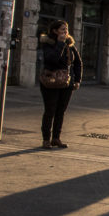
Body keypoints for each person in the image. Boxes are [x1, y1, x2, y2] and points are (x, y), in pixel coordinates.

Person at [37, 20, 82, 149]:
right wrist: (60, 44)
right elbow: (52, 59)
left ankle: (56, 138)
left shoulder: (70, 45)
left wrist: (77, 80)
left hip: (66, 82)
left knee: (60, 111)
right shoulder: (48, 43)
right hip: (50, 82)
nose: (65, 32)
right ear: (55, 31)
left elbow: (78, 62)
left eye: (66, 29)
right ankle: (46, 139)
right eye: (62, 29)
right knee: (50, 110)